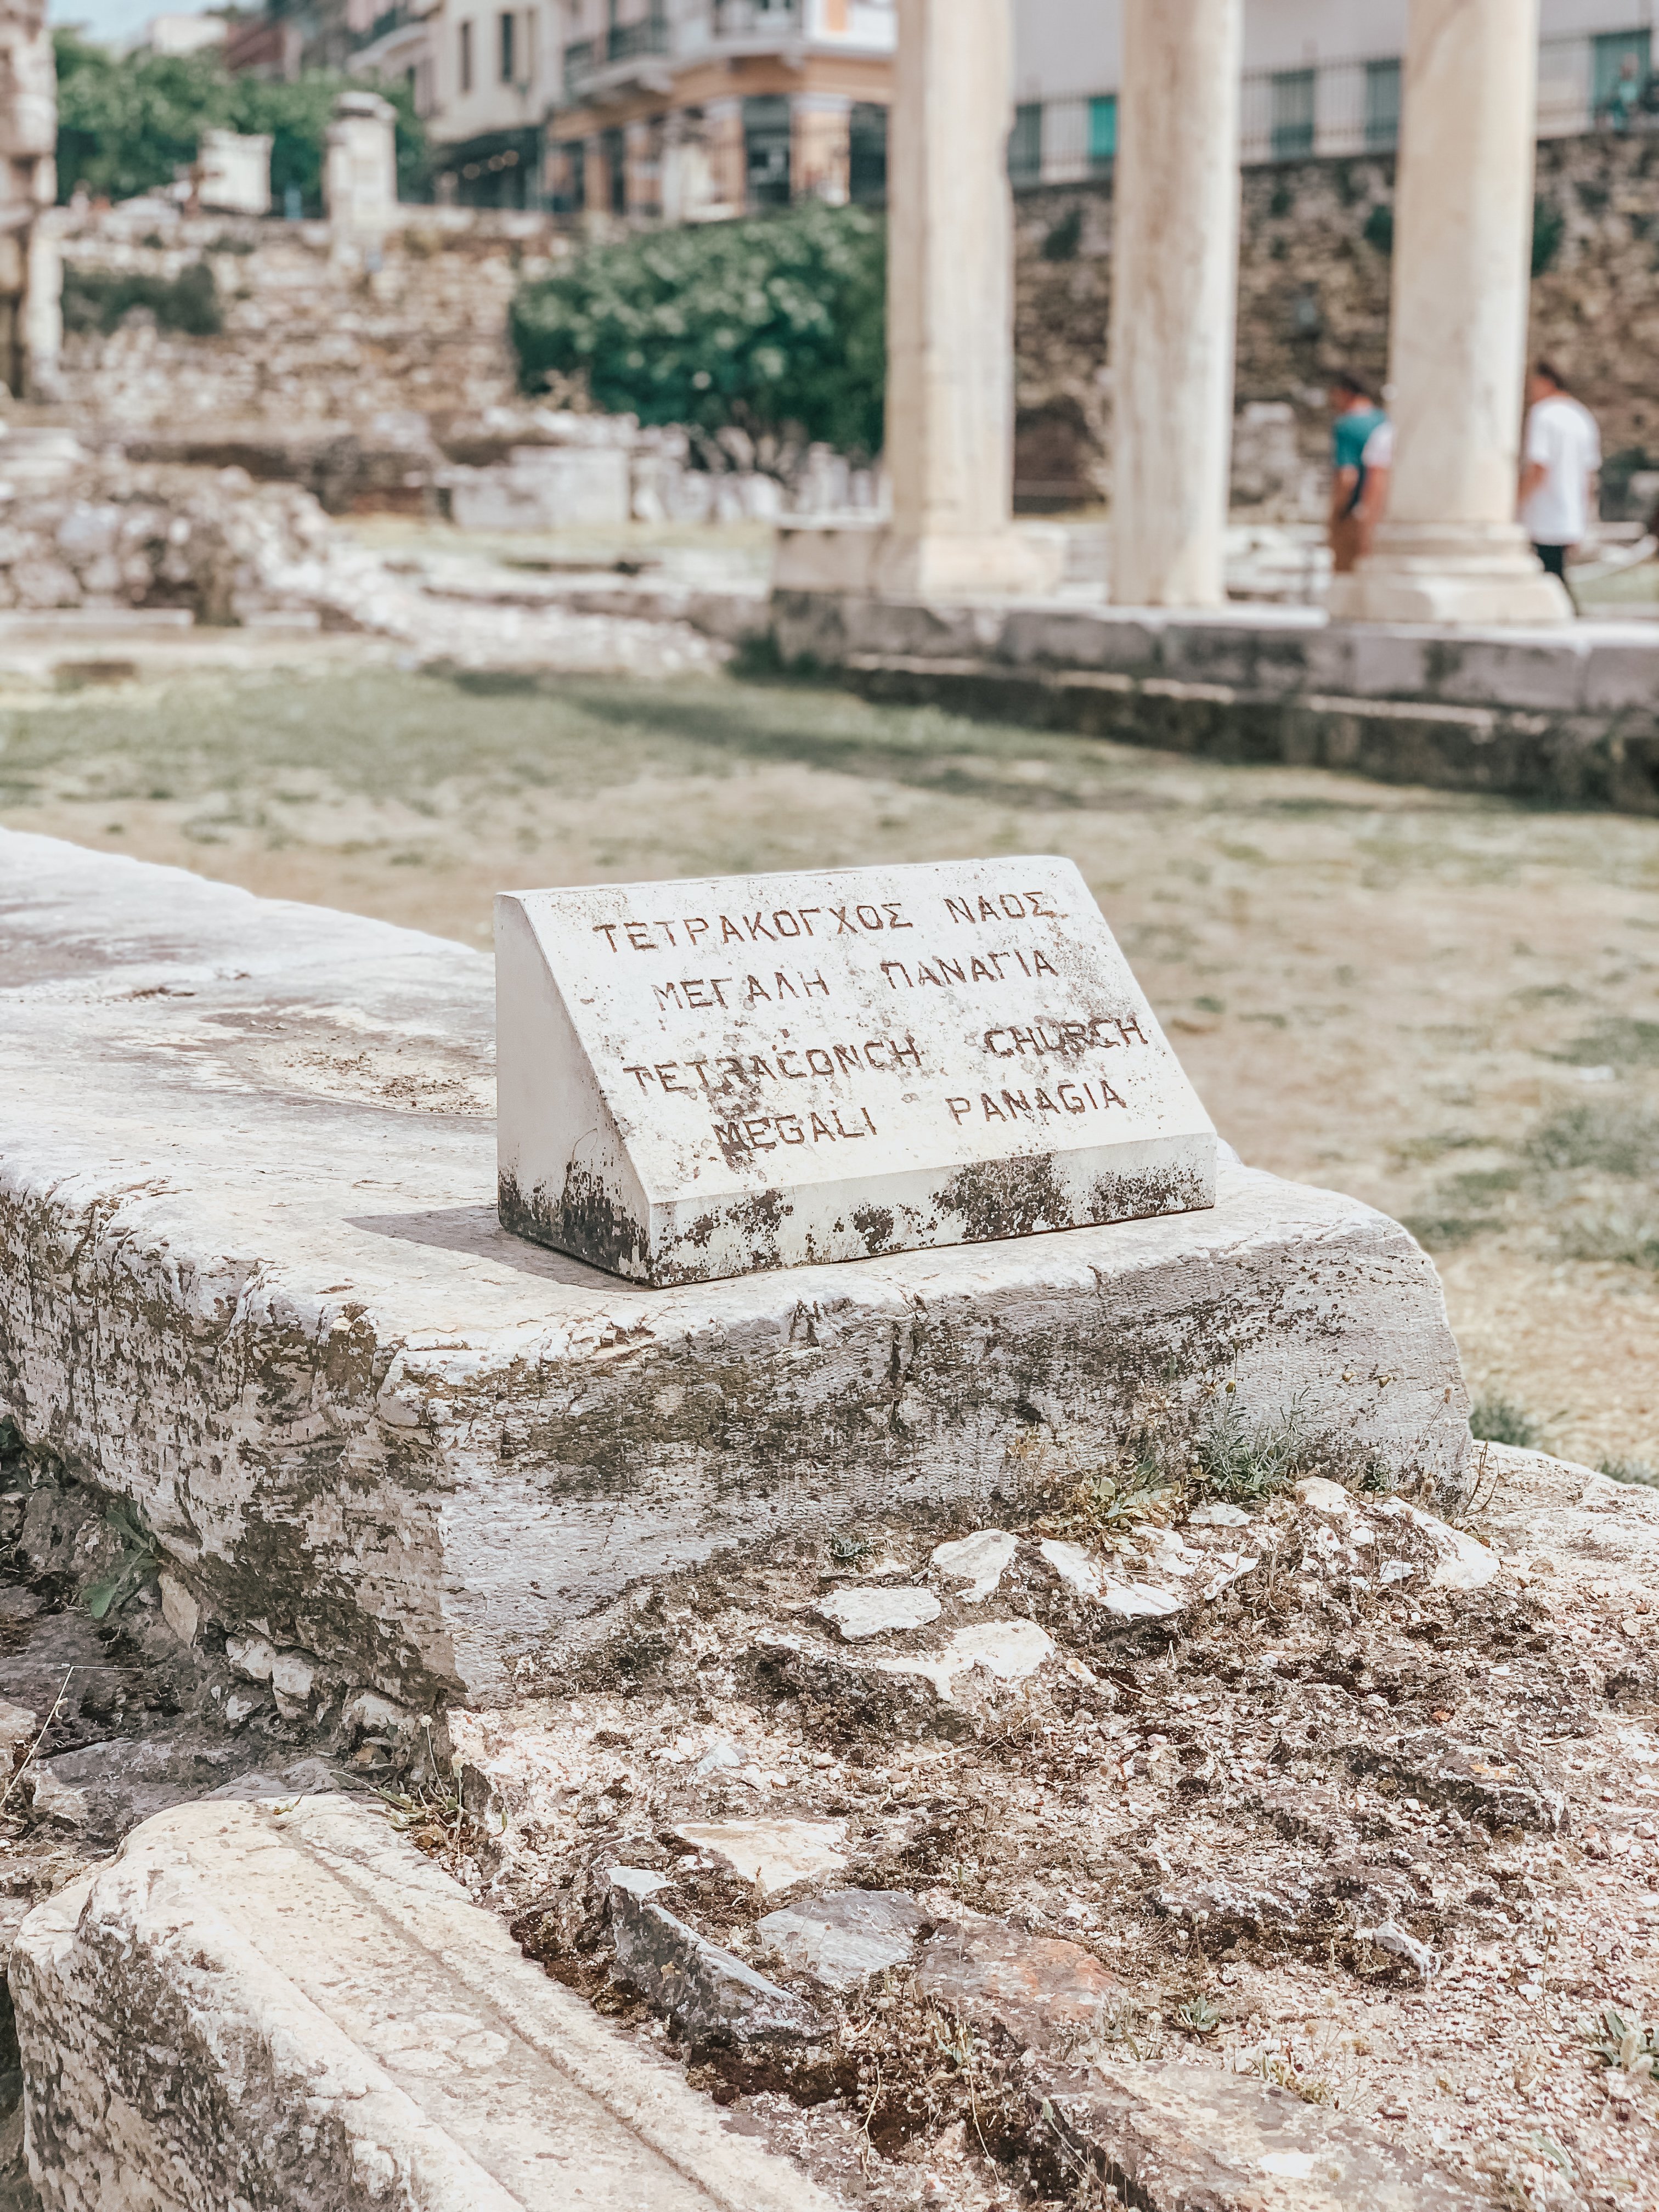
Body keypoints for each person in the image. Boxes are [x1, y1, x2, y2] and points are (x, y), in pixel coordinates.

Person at [1518, 360, 1600, 591]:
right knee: (1556, 572)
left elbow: (1539, 466)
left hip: (1544, 510)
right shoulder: (1582, 416)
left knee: (1549, 576)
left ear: (1545, 382)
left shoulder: (1543, 414)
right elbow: (1589, 474)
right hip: (1569, 511)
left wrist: (1518, 499)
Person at [1327, 373, 1389, 574]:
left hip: (1355, 511)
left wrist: (1337, 513)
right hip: (1383, 513)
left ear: (1346, 394)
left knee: (1345, 575)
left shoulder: (1347, 426)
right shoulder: (1384, 420)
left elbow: (1347, 476)